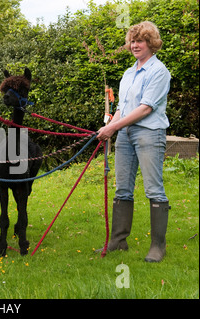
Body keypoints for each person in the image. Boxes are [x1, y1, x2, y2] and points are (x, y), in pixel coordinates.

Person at [97, 21, 171, 262]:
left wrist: (114, 127)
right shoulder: (129, 73)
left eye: (141, 41)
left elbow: (145, 109)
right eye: (132, 41)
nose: (135, 45)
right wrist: (109, 127)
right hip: (125, 135)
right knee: (123, 189)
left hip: (149, 133)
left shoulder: (159, 72)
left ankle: (158, 247)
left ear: (151, 43)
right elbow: (123, 107)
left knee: (153, 189)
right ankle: (118, 242)